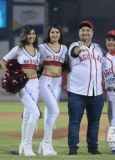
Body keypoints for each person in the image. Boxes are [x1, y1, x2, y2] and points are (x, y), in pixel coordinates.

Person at [0, 25, 40, 156]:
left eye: (33, 34)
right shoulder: (18, 49)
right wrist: (11, 75)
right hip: (23, 85)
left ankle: (22, 146)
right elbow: (3, 61)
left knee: (27, 116)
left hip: (35, 84)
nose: (31, 36)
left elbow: (37, 69)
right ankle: (27, 146)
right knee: (35, 113)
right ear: (24, 35)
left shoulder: (37, 50)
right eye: (29, 34)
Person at [67, 20, 104, 155]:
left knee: (94, 123)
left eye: (88, 30)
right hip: (77, 92)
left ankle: (93, 147)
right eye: (83, 30)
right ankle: (73, 148)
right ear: (79, 33)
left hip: (96, 93)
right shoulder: (74, 46)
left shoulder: (99, 48)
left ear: (92, 33)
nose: (85, 32)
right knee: (74, 122)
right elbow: (74, 53)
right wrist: (80, 49)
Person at [37, 23, 68, 155]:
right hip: (45, 81)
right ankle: (45, 144)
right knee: (55, 111)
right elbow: (35, 63)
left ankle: (46, 145)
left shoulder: (64, 48)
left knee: (50, 114)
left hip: (58, 82)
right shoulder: (42, 48)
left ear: (60, 34)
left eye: (57, 32)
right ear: (48, 34)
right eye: (52, 32)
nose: (55, 35)